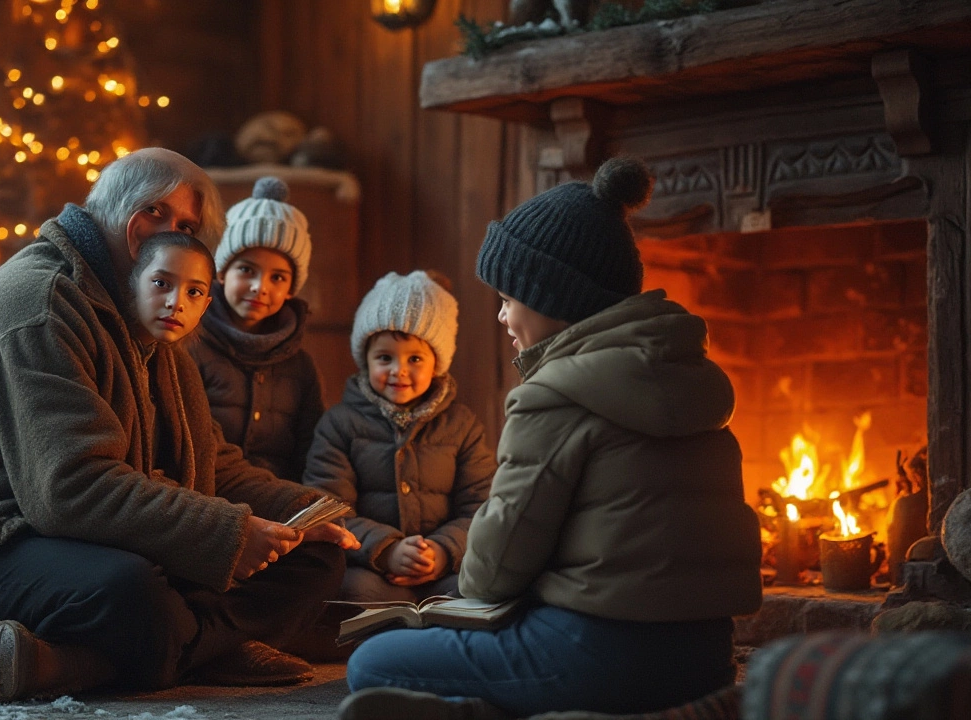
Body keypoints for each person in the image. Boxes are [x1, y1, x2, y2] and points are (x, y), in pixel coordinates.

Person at [0, 148, 358, 701]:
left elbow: (214, 464)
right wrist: (229, 534)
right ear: (118, 216)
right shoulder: (39, 305)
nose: (169, 230)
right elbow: (70, 490)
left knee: (315, 557)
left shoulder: (153, 317)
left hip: (74, 540)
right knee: (131, 593)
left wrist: (302, 513)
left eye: (184, 222)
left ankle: (55, 661)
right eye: (156, 212)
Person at [338, 157, 762, 720]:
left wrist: (462, 582)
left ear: (552, 299)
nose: (502, 317)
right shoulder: (694, 384)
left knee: (372, 663)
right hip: (706, 660)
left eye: (509, 299)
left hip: (596, 653)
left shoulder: (555, 394)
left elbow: (494, 569)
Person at [304, 270, 495, 603]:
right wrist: (386, 549)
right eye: (384, 358)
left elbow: (482, 505)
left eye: (415, 358)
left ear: (437, 363)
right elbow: (328, 507)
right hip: (370, 567)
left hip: (443, 569)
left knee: (477, 590)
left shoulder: (462, 426)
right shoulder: (340, 424)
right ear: (365, 360)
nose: (398, 370)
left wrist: (442, 550)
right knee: (351, 592)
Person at [189, 176, 323, 483]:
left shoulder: (301, 366)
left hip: (282, 501)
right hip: (210, 494)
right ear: (221, 272)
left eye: (277, 277)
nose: (259, 287)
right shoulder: (191, 345)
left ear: (292, 288)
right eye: (247, 270)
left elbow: (310, 451)